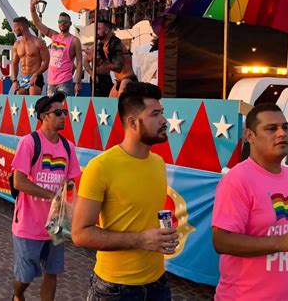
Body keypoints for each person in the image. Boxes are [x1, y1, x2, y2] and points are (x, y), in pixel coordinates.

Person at [72, 82, 177, 300]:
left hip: (158, 283)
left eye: (162, 113)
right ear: (132, 122)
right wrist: (141, 239)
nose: (164, 120)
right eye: (155, 114)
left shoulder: (158, 162)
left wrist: (162, 237)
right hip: (115, 289)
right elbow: (80, 234)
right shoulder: (100, 167)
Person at [212, 103, 288, 300]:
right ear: (250, 136)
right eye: (271, 129)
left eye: (285, 127)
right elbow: (221, 241)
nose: (282, 133)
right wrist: (282, 242)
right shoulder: (238, 179)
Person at [11, 92, 81, 301]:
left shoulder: (68, 147)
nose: (64, 116)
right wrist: (53, 196)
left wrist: (69, 208)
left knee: (52, 272)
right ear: (43, 116)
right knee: (25, 276)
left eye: (65, 112)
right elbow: (19, 182)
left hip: (56, 224)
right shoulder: (29, 142)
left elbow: (70, 182)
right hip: (28, 224)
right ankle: (17, 295)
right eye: (58, 112)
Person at [30, 0, 83, 97]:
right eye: (60, 21)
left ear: (70, 24)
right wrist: (32, 7)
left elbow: (80, 62)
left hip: (65, 81)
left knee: (63, 109)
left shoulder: (74, 40)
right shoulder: (54, 36)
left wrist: (78, 82)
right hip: (51, 81)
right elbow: (38, 24)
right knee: (51, 110)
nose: (62, 23)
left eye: (65, 21)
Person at [96, 20, 138, 97]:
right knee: (111, 103)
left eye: (98, 29)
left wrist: (101, 64)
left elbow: (118, 67)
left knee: (119, 104)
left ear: (107, 30)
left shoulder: (115, 43)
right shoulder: (103, 45)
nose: (96, 32)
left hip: (127, 79)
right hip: (119, 80)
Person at [9, 17, 50, 96]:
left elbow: (46, 62)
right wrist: (14, 81)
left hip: (35, 77)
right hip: (23, 78)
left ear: (21, 28)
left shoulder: (38, 42)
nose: (13, 30)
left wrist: (36, 74)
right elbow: (14, 63)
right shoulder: (17, 44)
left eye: (15, 28)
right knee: (20, 100)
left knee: (32, 102)